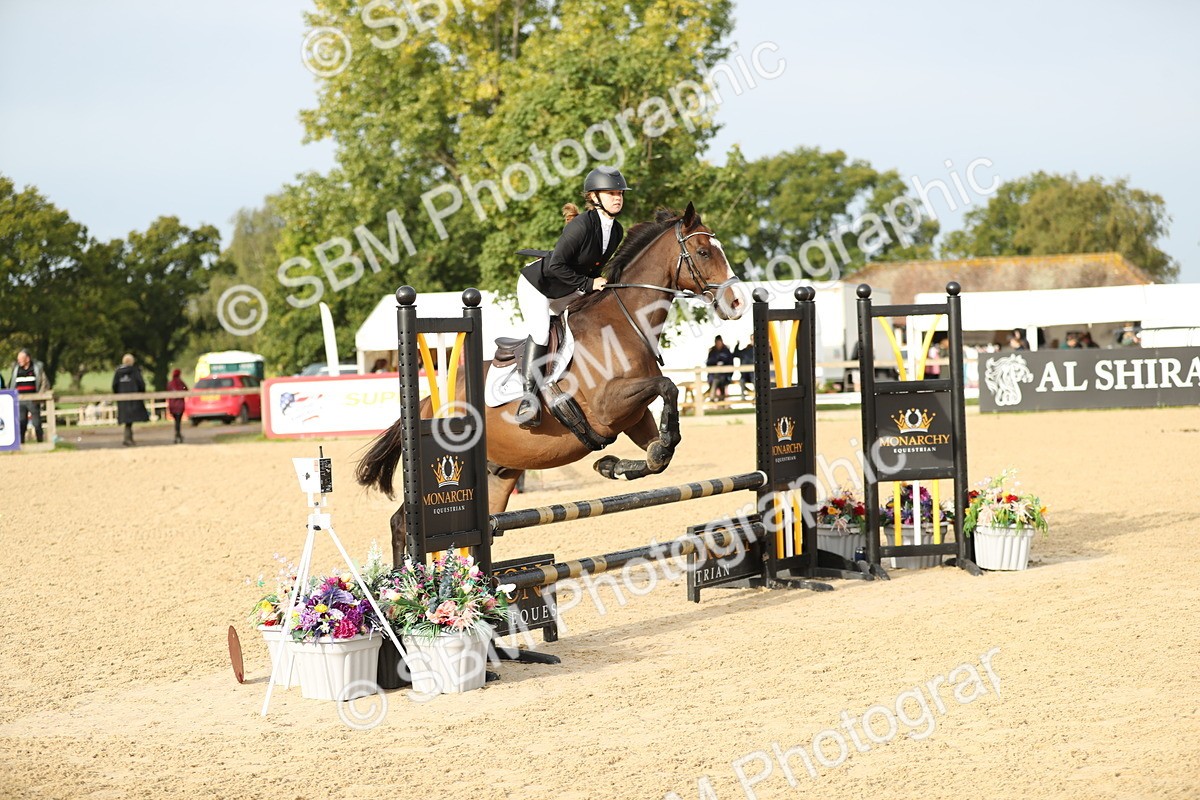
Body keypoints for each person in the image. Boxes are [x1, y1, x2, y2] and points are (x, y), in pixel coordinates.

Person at [514, 165, 629, 428]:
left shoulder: (617, 230)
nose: (617, 197)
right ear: (594, 197)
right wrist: (589, 284)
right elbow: (556, 266)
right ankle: (528, 401)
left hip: (568, 289)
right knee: (542, 332)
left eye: (619, 193)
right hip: (538, 286)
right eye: (610, 192)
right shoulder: (581, 225)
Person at [10, 348, 51, 443]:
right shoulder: (16, 370)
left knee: (37, 423)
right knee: (21, 422)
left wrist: (40, 396)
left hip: (33, 400)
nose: (18, 361)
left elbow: (44, 383)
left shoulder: (36, 369)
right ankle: (21, 444)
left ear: (27, 359)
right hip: (20, 400)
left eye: (21, 358)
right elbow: (12, 384)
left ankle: (40, 442)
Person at [113, 353, 149, 446]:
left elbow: (114, 386)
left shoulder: (118, 372)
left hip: (122, 400)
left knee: (127, 420)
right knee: (130, 420)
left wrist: (118, 394)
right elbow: (141, 384)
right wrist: (141, 393)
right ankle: (128, 439)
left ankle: (128, 438)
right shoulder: (135, 371)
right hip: (134, 400)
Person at [706, 336, 734, 401]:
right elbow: (708, 363)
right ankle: (716, 399)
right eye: (717, 342)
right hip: (713, 375)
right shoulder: (712, 352)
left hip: (724, 375)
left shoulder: (726, 351)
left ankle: (713, 398)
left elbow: (731, 363)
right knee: (715, 380)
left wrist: (729, 374)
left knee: (719, 382)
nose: (718, 344)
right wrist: (716, 363)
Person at [166, 368, 188, 444]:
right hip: (179, 405)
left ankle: (177, 435)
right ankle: (178, 435)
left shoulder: (170, 383)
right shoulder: (181, 383)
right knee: (178, 421)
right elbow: (186, 389)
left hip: (172, 405)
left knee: (176, 421)